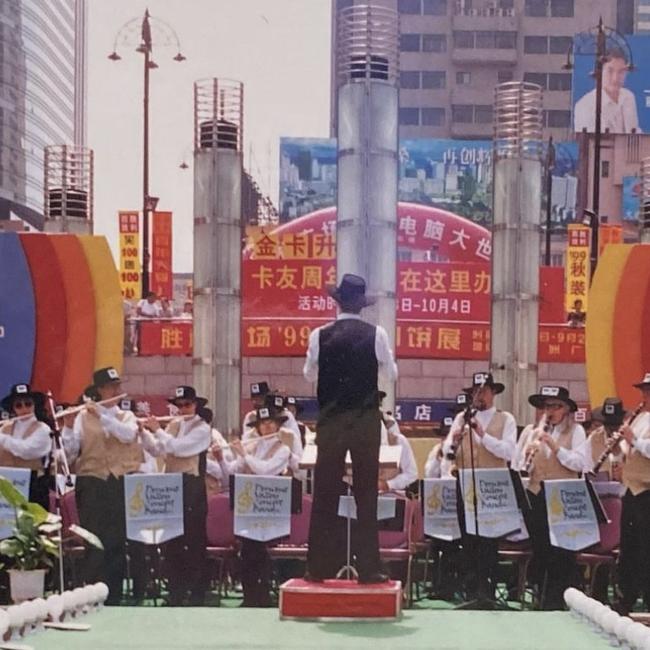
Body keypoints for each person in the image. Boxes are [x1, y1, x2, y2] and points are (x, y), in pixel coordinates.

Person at [303, 273, 398, 583]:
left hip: (331, 421)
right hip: (364, 421)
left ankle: (318, 566)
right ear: (362, 306)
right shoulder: (377, 334)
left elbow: (308, 375)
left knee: (325, 494)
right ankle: (369, 568)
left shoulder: (319, 335)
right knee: (366, 495)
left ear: (338, 303)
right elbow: (391, 374)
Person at [62, 367, 143, 605]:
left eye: (117, 386)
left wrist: (102, 414)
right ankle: (93, 593)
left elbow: (127, 435)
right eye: (111, 387)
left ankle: (114, 594)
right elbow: (71, 452)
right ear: (99, 390)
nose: (116, 390)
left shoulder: (125, 416)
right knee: (93, 538)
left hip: (117, 481)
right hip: (91, 481)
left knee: (116, 539)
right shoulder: (81, 417)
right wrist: (67, 426)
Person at [442, 372, 517, 601]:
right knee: (468, 538)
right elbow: (447, 452)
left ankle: (488, 591)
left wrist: (482, 435)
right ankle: (470, 590)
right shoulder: (461, 418)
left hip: (493, 485)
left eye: (484, 391)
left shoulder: (506, 419)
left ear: (493, 393)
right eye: (475, 391)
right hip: (465, 483)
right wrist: (454, 440)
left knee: (488, 540)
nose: (479, 395)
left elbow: (508, 452)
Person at [512, 385, 588, 610]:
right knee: (541, 548)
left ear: (566, 409)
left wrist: (555, 447)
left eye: (556, 406)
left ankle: (557, 599)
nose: (550, 411)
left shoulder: (576, 431)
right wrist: (527, 457)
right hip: (535, 494)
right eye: (547, 406)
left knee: (561, 552)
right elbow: (516, 464)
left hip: (562, 497)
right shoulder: (530, 432)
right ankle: (540, 596)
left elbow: (579, 464)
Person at [141, 385, 211, 606]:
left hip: (191, 484)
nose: (182, 409)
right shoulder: (173, 425)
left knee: (194, 539)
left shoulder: (203, 428)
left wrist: (158, 430)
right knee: (172, 540)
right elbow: (158, 450)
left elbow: (180, 449)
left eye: (186, 405)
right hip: (171, 483)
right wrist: (144, 432)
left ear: (196, 405)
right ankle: (176, 591)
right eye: (178, 406)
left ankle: (196, 592)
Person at [229, 406, 295, 607]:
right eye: (262, 424)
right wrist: (225, 457)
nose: (266, 427)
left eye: (270, 423)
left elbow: (265, 471)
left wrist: (245, 455)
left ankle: (263, 596)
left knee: (261, 551)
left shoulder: (283, 449)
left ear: (277, 425)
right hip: (249, 507)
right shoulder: (252, 446)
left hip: (271, 505)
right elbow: (232, 471)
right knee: (247, 550)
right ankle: (250, 595)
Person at [615, 372, 650, 615]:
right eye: (644, 391)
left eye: (649, 392)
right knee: (629, 545)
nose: (645, 396)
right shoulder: (639, 418)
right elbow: (629, 448)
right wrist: (619, 450)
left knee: (646, 547)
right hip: (630, 489)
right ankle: (626, 596)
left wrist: (633, 439)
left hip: (647, 490)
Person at [0, 384, 52, 509]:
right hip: (6, 485)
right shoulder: (4, 428)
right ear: (13, 408)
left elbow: (26, 450)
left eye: (28, 403)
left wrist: (2, 439)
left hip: (33, 485)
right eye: (18, 405)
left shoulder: (43, 429)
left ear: (34, 405)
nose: (24, 408)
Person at [574, 48, 640, 134]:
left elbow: (635, 133)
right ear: (600, 71)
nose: (615, 78)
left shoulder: (628, 96)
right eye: (610, 71)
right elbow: (591, 144)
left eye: (621, 72)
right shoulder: (585, 105)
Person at [585, 397, 625, 481]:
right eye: (608, 424)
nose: (611, 429)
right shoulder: (593, 437)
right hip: (601, 490)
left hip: (628, 490)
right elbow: (587, 468)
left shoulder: (631, 437)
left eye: (615, 425)